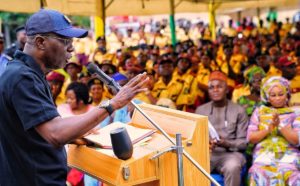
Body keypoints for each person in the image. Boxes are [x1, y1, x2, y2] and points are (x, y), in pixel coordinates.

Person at [0, 9, 148, 186]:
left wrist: (76, 133)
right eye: (65, 41)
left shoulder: (26, 73)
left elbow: (35, 129)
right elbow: (55, 133)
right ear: (40, 42)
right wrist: (113, 104)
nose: (72, 48)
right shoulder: (23, 78)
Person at [195, 71, 248, 186]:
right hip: (207, 154)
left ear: (227, 90)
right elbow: (194, 139)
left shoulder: (239, 110)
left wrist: (226, 143)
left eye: (219, 86)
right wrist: (206, 143)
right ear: (208, 91)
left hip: (230, 155)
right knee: (190, 164)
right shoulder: (200, 110)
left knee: (232, 167)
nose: (215, 90)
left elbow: (243, 143)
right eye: (211, 87)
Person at [247, 76, 300, 185]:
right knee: (257, 171)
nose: (277, 98)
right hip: (264, 154)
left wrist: (280, 126)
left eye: (281, 94)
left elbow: (296, 140)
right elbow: (251, 138)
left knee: (290, 173)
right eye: (273, 95)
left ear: (287, 94)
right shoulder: (259, 112)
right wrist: (268, 129)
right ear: (267, 97)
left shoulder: (295, 112)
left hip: (289, 154)